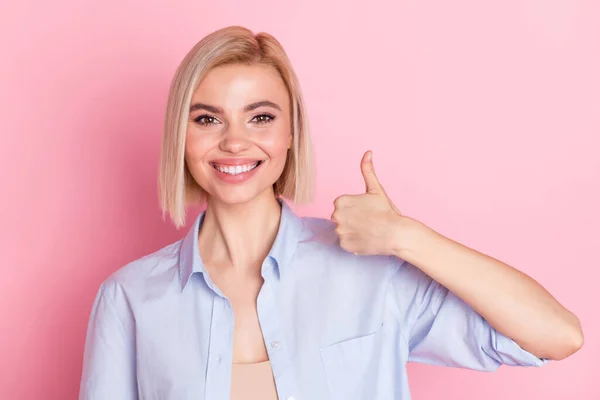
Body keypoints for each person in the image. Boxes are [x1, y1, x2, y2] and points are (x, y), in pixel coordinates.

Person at [78, 26, 583, 400]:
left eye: (261, 117)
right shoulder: (129, 299)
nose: (235, 141)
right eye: (207, 118)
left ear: (291, 132)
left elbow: (557, 335)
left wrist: (408, 237)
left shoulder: (374, 275)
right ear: (180, 137)